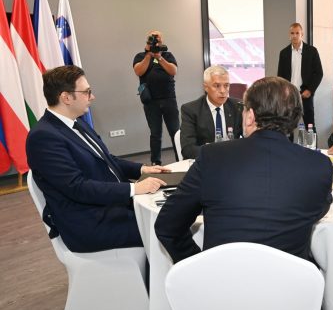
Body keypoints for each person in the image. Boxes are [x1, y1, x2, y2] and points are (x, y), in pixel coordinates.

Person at [155, 76, 333, 264]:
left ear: (250, 117)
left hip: (220, 277)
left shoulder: (213, 157)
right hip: (289, 280)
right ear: (295, 120)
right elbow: (318, 210)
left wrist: (197, 263)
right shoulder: (319, 165)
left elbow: (168, 226)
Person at [26, 65, 169, 253]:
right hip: (89, 222)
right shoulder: (43, 137)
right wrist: (134, 188)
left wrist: (142, 169)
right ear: (66, 97)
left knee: (173, 211)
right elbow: (77, 187)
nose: (92, 97)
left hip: (109, 206)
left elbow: (106, 159)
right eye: (86, 92)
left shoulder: (77, 122)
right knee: (170, 227)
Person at [133, 30, 179, 165]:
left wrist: (159, 57)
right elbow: (138, 71)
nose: (155, 42)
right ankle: (155, 162)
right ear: (147, 42)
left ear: (162, 41)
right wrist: (149, 55)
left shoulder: (167, 55)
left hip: (169, 99)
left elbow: (173, 71)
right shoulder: (140, 56)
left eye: (157, 40)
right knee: (155, 134)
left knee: (175, 132)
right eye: (152, 40)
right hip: (150, 102)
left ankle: (181, 158)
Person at [179, 65, 243, 159]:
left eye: (226, 85)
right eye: (217, 86)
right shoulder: (191, 110)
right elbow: (188, 149)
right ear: (206, 87)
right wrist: (216, 153)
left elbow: (249, 138)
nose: (223, 91)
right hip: (206, 160)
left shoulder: (237, 106)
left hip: (232, 159)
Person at [277, 22, 323, 128]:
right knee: (287, 127)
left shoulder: (312, 51)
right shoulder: (284, 53)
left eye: (297, 33)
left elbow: (319, 73)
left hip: (306, 95)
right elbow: (280, 77)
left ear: (302, 34)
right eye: (292, 33)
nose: (294, 36)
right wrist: (284, 93)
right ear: (289, 35)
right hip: (289, 96)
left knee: (310, 127)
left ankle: (312, 140)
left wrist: (310, 90)